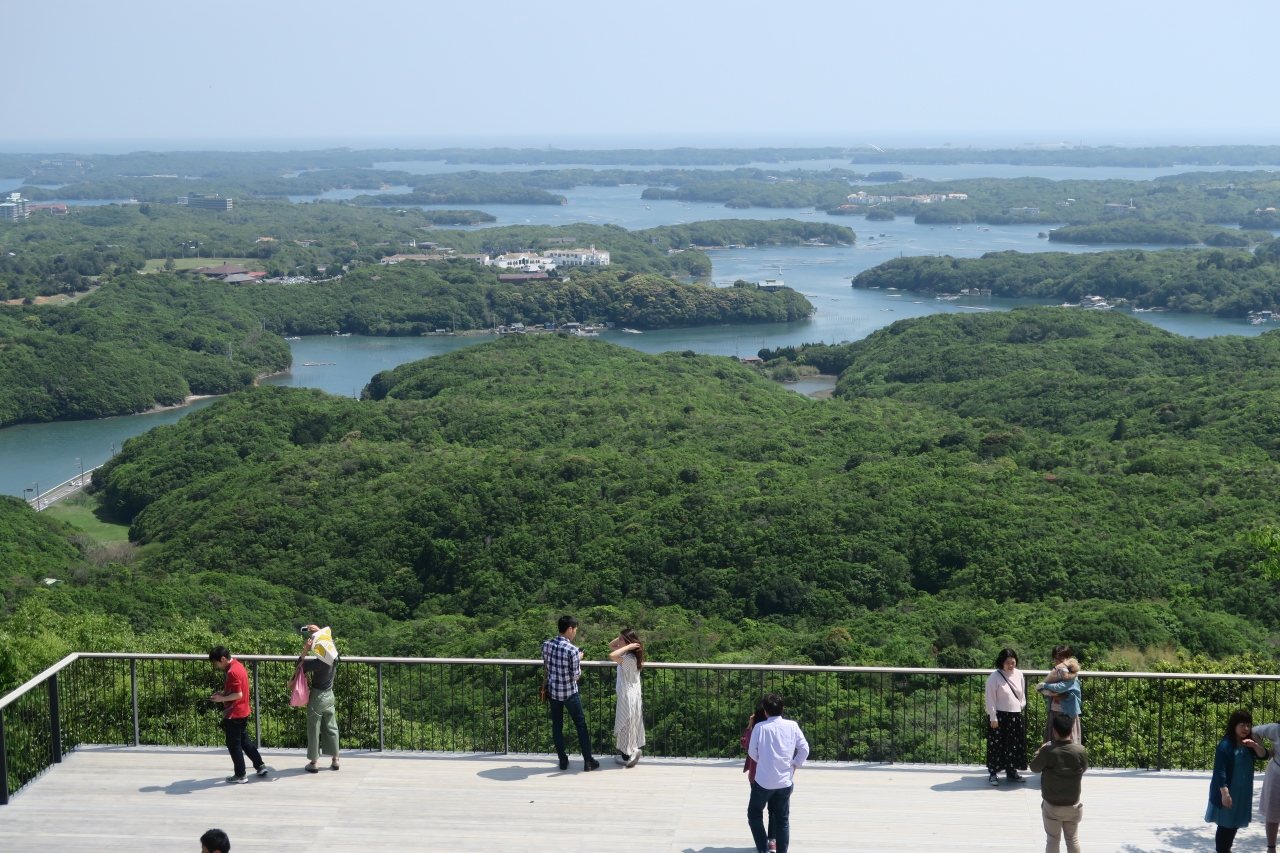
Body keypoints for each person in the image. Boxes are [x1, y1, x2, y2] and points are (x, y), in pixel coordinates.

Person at [747, 692, 809, 853]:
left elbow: (752, 752)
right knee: (782, 820)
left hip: (763, 781)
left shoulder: (760, 728)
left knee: (754, 814)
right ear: (782, 708)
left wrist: (764, 762)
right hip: (784, 781)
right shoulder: (792, 726)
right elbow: (804, 749)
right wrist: (794, 765)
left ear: (765, 711)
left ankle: (764, 849)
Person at [542, 615, 599, 772]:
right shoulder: (573, 650)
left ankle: (562, 760)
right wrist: (579, 659)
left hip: (553, 692)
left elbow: (546, 664)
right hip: (569, 694)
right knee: (580, 725)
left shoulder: (547, 644)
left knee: (557, 726)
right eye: (575, 630)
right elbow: (576, 676)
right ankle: (588, 761)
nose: (575, 633)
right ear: (569, 629)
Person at [1207, 709, 1268, 853]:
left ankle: (1226, 849)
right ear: (1234, 725)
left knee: (1234, 824)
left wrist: (1255, 745)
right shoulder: (1225, 745)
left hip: (1242, 793)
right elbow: (1219, 771)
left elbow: (1263, 756)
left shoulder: (1248, 743)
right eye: (1242, 725)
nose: (1246, 728)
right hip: (1229, 792)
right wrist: (1225, 794)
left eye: (1248, 725)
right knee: (1225, 825)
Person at [1030, 713, 1089, 853]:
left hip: (1052, 806)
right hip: (1073, 805)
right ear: (1071, 731)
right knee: (1072, 839)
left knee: (1053, 840)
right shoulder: (1080, 750)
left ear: (1054, 731)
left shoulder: (1048, 751)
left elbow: (1034, 768)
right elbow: (1084, 768)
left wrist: (1040, 750)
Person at [208, 646, 267, 784]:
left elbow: (238, 694)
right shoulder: (239, 666)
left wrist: (221, 699)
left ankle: (241, 775)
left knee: (233, 745)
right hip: (243, 710)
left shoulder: (231, 672)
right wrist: (222, 694)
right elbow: (237, 691)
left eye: (216, 663)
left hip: (234, 713)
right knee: (244, 741)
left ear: (223, 659)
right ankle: (260, 765)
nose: (217, 666)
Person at [298, 624, 340, 773]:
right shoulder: (334, 657)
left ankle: (314, 762)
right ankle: (335, 759)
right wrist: (320, 632)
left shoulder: (318, 663)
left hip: (317, 696)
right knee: (331, 726)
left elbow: (299, 665)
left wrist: (306, 649)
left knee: (314, 728)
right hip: (330, 695)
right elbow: (330, 645)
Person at [985, 647, 1028, 786]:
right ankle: (993, 773)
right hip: (1000, 716)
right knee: (996, 745)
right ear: (1001, 662)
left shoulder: (1019, 674)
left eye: (1013, 662)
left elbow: (1022, 695)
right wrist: (993, 717)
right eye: (1007, 662)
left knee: (1014, 745)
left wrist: (1020, 706)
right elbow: (990, 698)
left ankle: (1012, 771)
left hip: (1015, 716)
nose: (1010, 665)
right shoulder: (995, 676)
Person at [741, 701, 777, 853]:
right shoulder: (775, 730)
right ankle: (773, 841)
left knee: (755, 811)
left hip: (757, 776)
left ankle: (763, 845)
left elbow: (745, 743)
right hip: (776, 774)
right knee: (774, 810)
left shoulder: (756, 731)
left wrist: (750, 724)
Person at [608, 627, 645, 767]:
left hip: (627, 696)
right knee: (630, 724)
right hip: (632, 695)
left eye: (621, 639)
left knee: (625, 725)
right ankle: (631, 752)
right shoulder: (631, 656)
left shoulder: (629, 658)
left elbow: (612, 654)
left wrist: (628, 645)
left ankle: (628, 754)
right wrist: (622, 639)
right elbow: (611, 645)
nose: (619, 642)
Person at [1037, 645, 1082, 745]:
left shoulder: (1072, 674)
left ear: (1068, 659)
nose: (1058, 661)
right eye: (1056, 658)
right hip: (1054, 712)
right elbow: (1045, 692)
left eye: (1061, 658)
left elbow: (1060, 687)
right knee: (1053, 742)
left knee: (1069, 743)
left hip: (1068, 714)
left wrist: (1043, 685)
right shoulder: (1056, 673)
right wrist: (1047, 691)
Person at [1252, 720, 1280, 853]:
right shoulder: (1275, 728)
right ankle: (1271, 847)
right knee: (1273, 812)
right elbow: (1254, 731)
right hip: (1277, 773)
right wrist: (1264, 751)